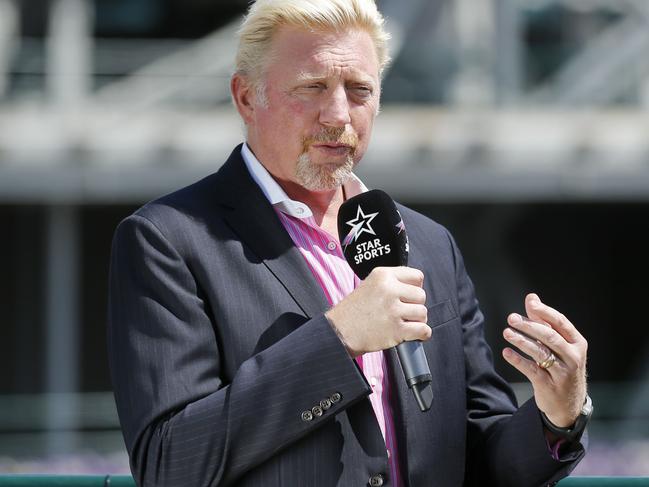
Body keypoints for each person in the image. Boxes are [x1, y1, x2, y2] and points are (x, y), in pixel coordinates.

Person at [107, 1, 589, 486]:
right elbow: (168, 464)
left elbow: (483, 460)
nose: (339, 114)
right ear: (246, 98)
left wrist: (556, 413)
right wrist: (338, 340)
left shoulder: (428, 243)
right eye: (312, 87)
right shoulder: (167, 240)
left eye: (360, 90)